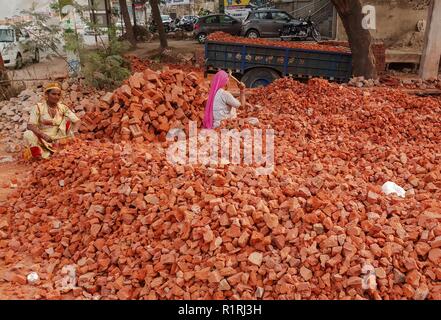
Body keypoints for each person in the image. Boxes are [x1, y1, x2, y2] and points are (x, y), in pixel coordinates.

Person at [23, 82, 81, 159]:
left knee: (68, 122)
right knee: (28, 133)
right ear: (47, 95)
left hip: (58, 138)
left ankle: (64, 150)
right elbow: (30, 125)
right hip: (43, 139)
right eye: (53, 94)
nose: (56, 97)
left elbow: (77, 120)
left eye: (58, 94)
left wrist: (75, 131)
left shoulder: (63, 107)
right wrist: (43, 135)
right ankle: (41, 154)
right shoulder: (38, 107)